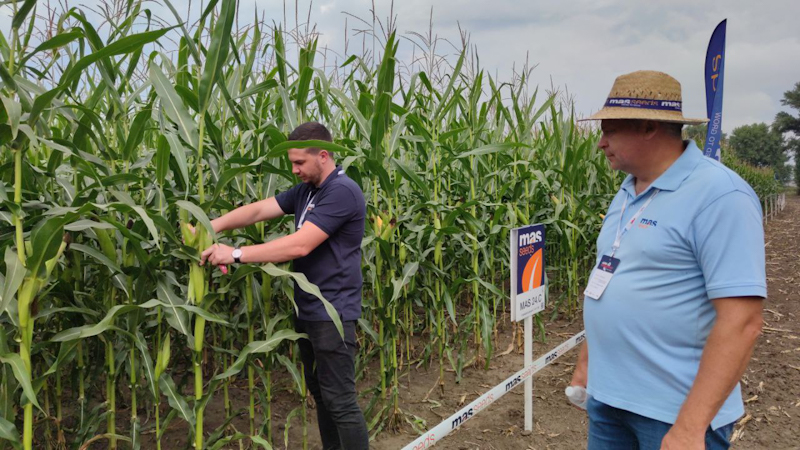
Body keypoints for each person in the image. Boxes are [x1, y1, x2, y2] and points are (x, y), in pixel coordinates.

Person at [569, 71, 766, 450]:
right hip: (609, 402)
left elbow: (742, 321)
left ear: (648, 127)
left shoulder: (721, 196)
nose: (600, 142)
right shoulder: (626, 191)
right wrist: (587, 364)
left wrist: (691, 427)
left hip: (673, 413)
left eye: (610, 130)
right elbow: (609, 280)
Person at [199, 121, 370, 449]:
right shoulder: (307, 190)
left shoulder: (342, 191)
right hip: (309, 310)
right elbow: (259, 210)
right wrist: (208, 226)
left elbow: (299, 245)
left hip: (332, 312)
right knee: (322, 395)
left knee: (340, 400)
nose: (294, 170)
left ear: (323, 155)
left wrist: (234, 253)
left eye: (299, 162)